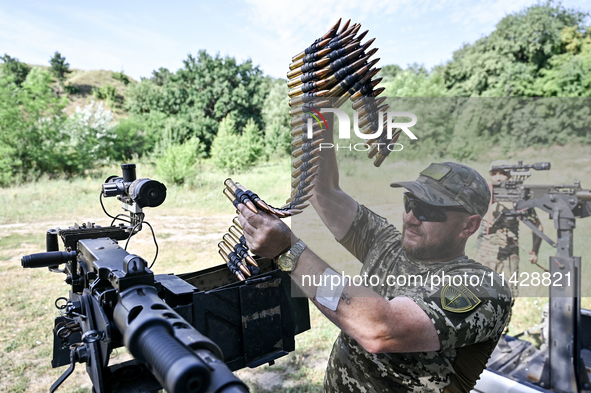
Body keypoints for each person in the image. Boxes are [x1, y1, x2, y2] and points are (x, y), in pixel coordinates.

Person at [237, 120, 511, 392]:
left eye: (430, 211)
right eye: (410, 203)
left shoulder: (484, 289)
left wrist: (289, 251)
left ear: (469, 225)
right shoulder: (388, 243)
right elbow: (323, 191)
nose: (411, 218)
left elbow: (380, 329)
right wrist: (322, 112)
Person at [475, 160, 543, 345]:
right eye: (494, 172)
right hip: (486, 253)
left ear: (510, 175)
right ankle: (478, 332)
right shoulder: (482, 194)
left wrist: (534, 250)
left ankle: (500, 334)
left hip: (510, 255)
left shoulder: (519, 197)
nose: (497, 177)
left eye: (502, 173)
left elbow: (537, 225)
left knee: (509, 295)